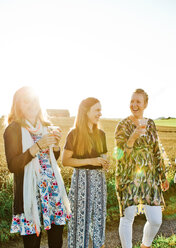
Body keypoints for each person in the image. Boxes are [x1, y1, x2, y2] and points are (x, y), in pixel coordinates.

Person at [3, 86, 70, 248]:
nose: (31, 105)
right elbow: (13, 165)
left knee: (56, 241)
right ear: (18, 105)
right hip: (31, 195)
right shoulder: (13, 130)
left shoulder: (47, 126)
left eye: (34, 101)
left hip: (53, 191)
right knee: (32, 243)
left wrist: (55, 146)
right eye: (26, 102)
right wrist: (36, 146)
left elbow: (51, 159)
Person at [115, 89, 170, 248]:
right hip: (128, 176)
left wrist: (162, 176)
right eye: (132, 101)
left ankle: (145, 245)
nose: (134, 105)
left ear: (145, 104)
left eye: (138, 102)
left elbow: (156, 151)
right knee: (127, 217)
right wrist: (133, 136)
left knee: (155, 220)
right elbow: (119, 154)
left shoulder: (150, 123)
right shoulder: (122, 125)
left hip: (150, 178)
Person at [62, 97, 110, 248]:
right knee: (79, 222)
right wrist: (91, 161)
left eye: (100, 110)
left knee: (99, 218)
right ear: (86, 112)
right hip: (81, 181)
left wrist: (105, 163)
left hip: (100, 180)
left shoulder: (101, 134)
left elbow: (103, 157)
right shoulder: (74, 134)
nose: (100, 113)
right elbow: (65, 161)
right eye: (97, 110)